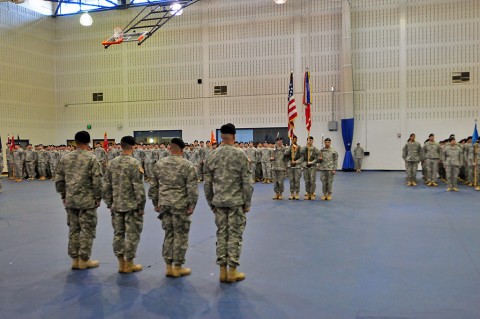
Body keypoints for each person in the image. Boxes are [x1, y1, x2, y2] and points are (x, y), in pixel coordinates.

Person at [204, 123, 253, 283]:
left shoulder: (212, 155)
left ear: (221, 136)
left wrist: (211, 201)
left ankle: (222, 271)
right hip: (236, 203)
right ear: (234, 136)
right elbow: (247, 183)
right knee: (234, 236)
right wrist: (247, 203)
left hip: (219, 202)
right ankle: (232, 271)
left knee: (221, 234)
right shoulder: (241, 155)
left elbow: (207, 183)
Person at [149, 138, 198, 277]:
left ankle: (168, 266)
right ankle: (177, 267)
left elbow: (153, 186)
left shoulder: (159, 164)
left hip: (164, 204)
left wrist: (155, 203)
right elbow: (192, 189)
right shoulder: (187, 165)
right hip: (180, 205)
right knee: (180, 235)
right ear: (182, 150)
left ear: (169, 148)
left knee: (168, 234)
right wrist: (191, 205)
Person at [55, 131, 102, 270]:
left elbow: (59, 179)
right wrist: (98, 197)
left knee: (74, 229)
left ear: (75, 142)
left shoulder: (65, 158)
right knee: (87, 230)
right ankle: (84, 260)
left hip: (71, 199)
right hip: (87, 201)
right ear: (89, 142)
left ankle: (74, 260)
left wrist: (63, 195)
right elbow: (97, 180)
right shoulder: (91, 158)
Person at [103, 136, 146, 274]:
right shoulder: (134, 163)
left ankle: (121, 264)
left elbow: (106, 185)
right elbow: (138, 188)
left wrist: (109, 203)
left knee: (118, 234)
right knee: (132, 235)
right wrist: (141, 206)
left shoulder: (112, 163)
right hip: (131, 206)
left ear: (121, 146)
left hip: (116, 205)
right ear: (133, 147)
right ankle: (129, 264)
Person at [284, 135, 303, 200]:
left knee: (297, 180)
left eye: (295, 139)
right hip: (290, 166)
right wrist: (290, 147)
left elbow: (302, 157)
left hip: (297, 166)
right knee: (291, 180)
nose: (293, 141)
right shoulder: (289, 147)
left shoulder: (299, 147)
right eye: (292, 140)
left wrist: (296, 162)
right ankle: (292, 193)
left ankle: (297, 193)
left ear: (296, 140)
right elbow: (285, 154)